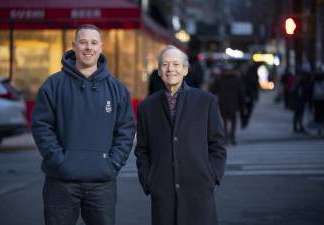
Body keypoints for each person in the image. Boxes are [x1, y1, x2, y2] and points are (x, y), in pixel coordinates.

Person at [32, 24, 135, 225]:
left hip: (102, 184)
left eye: (94, 43)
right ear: (74, 46)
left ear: (101, 47)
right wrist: (58, 161)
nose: (89, 47)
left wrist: (112, 164)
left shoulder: (117, 89)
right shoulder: (53, 85)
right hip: (61, 182)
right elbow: (42, 126)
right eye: (83, 42)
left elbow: (126, 130)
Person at [135, 45, 227, 225]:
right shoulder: (147, 107)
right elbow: (142, 150)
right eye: (165, 65)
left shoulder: (205, 101)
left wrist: (212, 175)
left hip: (199, 189)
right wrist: (148, 180)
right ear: (159, 71)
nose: (171, 69)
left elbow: (217, 144)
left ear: (185, 70)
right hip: (163, 192)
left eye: (176, 64)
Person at [211, 65, 244, 145]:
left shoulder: (219, 79)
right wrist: (242, 104)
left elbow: (213, 90)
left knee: (224, 121)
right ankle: (232, 137)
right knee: (233, 120)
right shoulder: (236, 79)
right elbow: (241, 92)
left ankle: (225, 137)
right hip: (234, 103)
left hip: (223, 103)